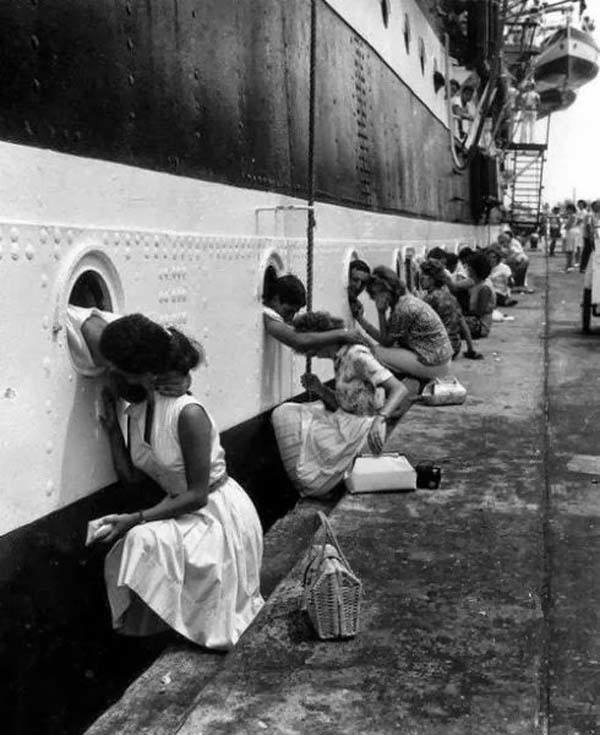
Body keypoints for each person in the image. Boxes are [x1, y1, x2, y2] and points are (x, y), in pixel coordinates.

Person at [89, 314, 264, 650]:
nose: (110, 373)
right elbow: (129, 478)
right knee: (137, 541)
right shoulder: (136, 410)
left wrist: (134, 519)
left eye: (117, 368)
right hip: (181, 510)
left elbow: (198, 495)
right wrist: (111, 430)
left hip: (217, 515)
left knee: (139, 538)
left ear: (142, 373)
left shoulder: (187, 413)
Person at [271, 312, 416, 498]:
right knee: (285, 413)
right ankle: (329, 480)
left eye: (312, 348)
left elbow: (399, 389)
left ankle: (325, 483)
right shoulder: (340, 357)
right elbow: (345, 404)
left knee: (286, 418)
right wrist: (320, 389)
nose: (312, 354)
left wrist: (381, 418)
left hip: (360, 428)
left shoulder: (356, 355)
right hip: (345, 421)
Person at [362, 266, 453, 380]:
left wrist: (380, 313)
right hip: (440, 359)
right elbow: (387, 337)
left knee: (376, 352)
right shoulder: (406, 300)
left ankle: (403, 385)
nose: (375, 298)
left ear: (387, 289)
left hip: (436, 366)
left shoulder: (402, 309)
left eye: (376, 294)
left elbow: (386, 342)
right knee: (384, 350)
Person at [262, 273, 366, 351]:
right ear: (275, 299)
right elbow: (299, 340)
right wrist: (342, 334)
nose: (290, 317)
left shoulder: (275, 314)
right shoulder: (269, 318)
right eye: (288, 311)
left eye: (294, 313)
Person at [419, 258, 483, 360]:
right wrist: (471, 349)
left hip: (440, 349)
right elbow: (463, 324)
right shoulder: (450, 296)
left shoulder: (430, 299)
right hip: (455, 347)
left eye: (423, 277)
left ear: (432, 279)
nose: (420, 279)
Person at [462, 251, 496, 339]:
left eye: (468, 267)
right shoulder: (476, 282)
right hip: (475, 321)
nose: (466, 269)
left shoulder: (484, 288)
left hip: (480, 326)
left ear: (474, 269)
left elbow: (478, 313)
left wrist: (460, 314)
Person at [519, 80, 540, 144]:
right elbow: (538, 103)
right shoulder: (536, 95)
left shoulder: (524, 95)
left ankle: (523, 141)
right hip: (532, 111)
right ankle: (531, 141)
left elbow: (521, 103)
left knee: (524, 126)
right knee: (532, 126)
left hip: (526, 111)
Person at [563, 203, 578, 272]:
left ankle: (568, 266)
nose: (568, 211)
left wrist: (565, 226)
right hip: (571, 232)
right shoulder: (571, 216)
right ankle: (569, 266)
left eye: (569, 209)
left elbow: (567, 226)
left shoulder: (572, 216)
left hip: (571, 232)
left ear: (572, 210)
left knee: (570, 250)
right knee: (570, 250)